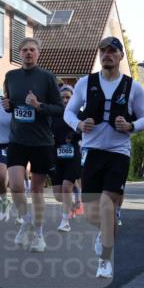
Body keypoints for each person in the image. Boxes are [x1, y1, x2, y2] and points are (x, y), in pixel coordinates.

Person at [64, 37, 144, 279]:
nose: (107, 55)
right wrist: (79, 124)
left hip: (118, 153)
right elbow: (68, 112)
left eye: (112, 51)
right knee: (93, 214)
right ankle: (103, 233)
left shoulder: (133, 87)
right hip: (91, 152)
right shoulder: (85, 83)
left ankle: (105, 259)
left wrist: (131, 125)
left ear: (121, 56)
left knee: (107, 205)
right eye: (103, 51)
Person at [2, 38, 64, 253]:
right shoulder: (11, 76)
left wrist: (39, 106)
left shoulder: (47, 77)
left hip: (41, 141)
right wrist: (7, 106)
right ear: (19, 53)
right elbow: (10, 104)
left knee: (37, 191)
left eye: (32, 50)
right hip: (17, 139)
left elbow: (59, 109)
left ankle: (38, 235)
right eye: (25, 50)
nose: (28, 53)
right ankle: (26, 219)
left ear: (38, 53)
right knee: (16, 186)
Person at [51, 85, 81, 232]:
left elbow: (85, 131)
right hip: (57, 155)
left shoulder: (78, 114)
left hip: (73, 155)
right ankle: (74, 201)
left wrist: (74, 135)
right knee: (58, 195)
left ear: (73, 98)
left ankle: (65, 221)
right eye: (62, 97)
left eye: (68, 97)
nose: (65, 100)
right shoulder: (54, 115)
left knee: (66, 187)